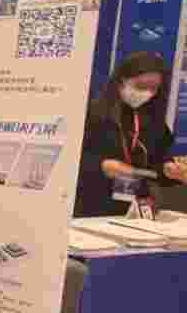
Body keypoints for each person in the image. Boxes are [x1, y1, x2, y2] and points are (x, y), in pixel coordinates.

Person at [74, 51, 187, 217]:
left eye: (153, 88)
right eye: (141, 86)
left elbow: (156, 163)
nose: (147, 93)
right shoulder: (92, 114)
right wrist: (102, 166)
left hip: (136, 210)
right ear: (122, 81)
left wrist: (167, 169)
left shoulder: (154, 122)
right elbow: (72, 159)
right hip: (91, 206)